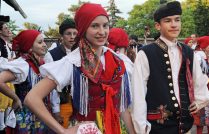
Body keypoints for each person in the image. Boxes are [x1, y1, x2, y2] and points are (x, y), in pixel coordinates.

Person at [24, 3, 135, 134]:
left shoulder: (118, 60)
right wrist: (62, 131)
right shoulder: (73, 62)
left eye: (105, 25)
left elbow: (121, 107)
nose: (102, 31)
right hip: (88, 130)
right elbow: (31, 98)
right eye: (94, 26)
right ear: (83, 29)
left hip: (116, 128)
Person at [131, 1, 209, 134]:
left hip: (184, 127)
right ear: (158, 25)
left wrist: (198, 102)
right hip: (157, 127)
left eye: (177, 20)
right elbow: (138, 93)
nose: (174, 25)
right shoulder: (146, 53)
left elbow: (200, 82)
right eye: (168, 21)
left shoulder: (188, 52)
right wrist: (141, 128)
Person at [0, 30, 48, 133]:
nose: (44, 45)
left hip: (39, 113)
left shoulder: (39, 62)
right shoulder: (23, 65)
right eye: (40, 42)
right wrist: (16, 99)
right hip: (25, 116)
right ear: (29, 47)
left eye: (44, 41)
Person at [44, 18, 78, 128]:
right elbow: (51, 86)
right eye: (68, 34)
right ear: (62, 36)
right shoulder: (52, 55)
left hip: (78, 102)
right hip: (62, 102)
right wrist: (56, 110)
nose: (72, 37)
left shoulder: (81, 53)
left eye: (75, 33)